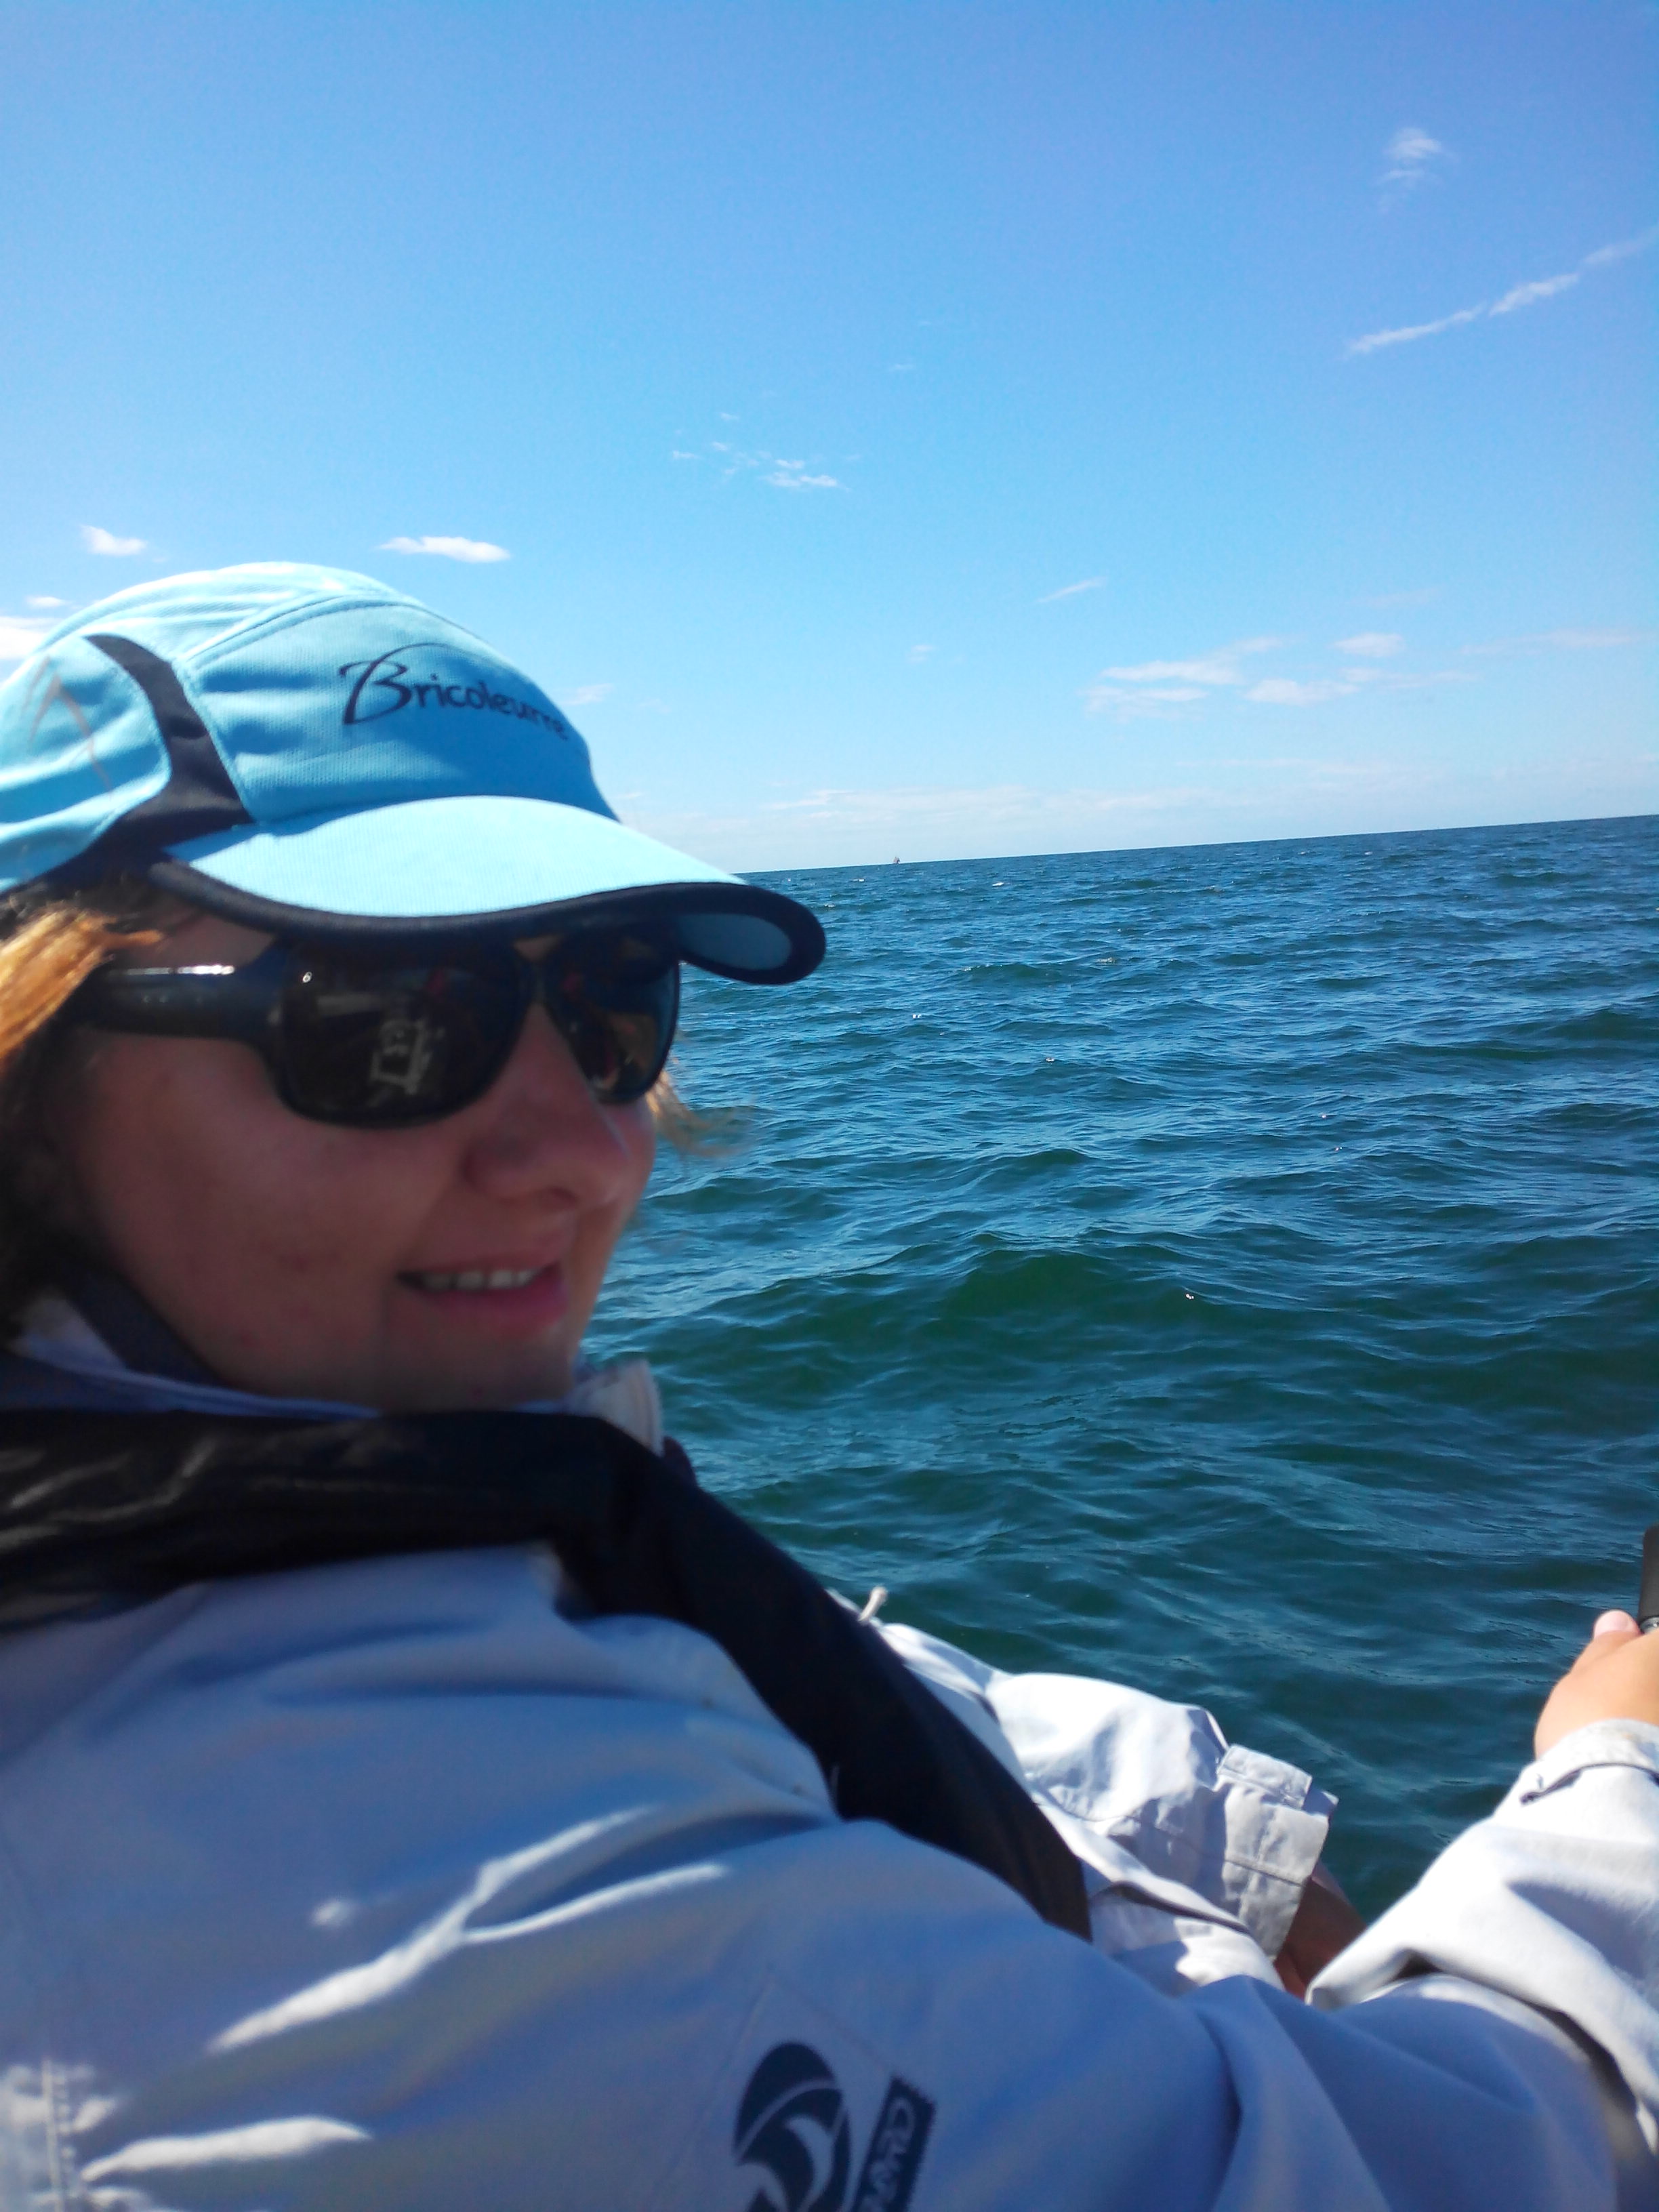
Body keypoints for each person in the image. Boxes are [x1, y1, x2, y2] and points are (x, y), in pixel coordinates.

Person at [0, 564, 1653, 2212]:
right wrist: (1617, 1775)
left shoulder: (305, 1482)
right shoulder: (389, 1902)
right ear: (37, 1066)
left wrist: (1212, 1831)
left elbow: (780, 1658)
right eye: (388, 1023)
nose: (587, 1152)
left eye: (610, 1006)